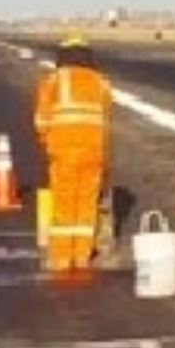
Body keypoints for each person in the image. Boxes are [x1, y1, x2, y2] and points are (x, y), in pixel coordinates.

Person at [33, 35, 113, 272]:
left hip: (64, 150)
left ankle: (61, 258)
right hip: (94, 151)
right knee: (87, 205)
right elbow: (106, 115)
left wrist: (46, 141)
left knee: (64, 205)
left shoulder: (54, 81)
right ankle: (81, 256)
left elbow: (41, 119)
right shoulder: (102, 83)